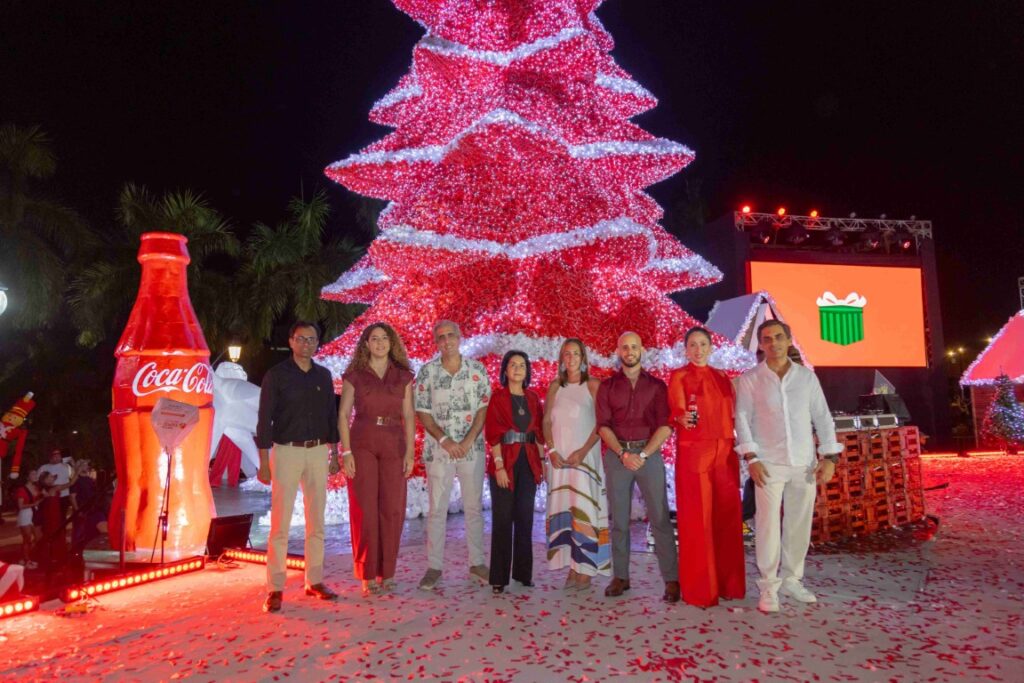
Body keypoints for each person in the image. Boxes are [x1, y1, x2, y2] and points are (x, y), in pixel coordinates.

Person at [734, 320, 842, 613]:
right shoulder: (750, 379)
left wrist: (829, 457)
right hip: (768, 464)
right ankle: (769, 586)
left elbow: (822, 417)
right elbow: (742, 419)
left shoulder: (806, 378)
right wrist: (752, 458)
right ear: (761, 344)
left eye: (779, 337)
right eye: (767, 339)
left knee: (798, 525)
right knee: (767, 526)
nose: (774, 343)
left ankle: (792, 579)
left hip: (803, 463)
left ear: (789, 340)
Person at [256, 320, 341, 613]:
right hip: (286, 452)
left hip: (317, 451)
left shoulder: (323, 375)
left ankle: (314, 580)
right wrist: (263, 462)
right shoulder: (276, 375)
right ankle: (275, 587)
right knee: (280, 523)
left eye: (312, 339)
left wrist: (334, 453)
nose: (306, 344)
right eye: (301, 339)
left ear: (317, 343)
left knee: (316, 520)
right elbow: (264, 419)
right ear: (291, 341)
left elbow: (331, 415)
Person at [596, 331, 680, 602]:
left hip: (649, 455)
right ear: (618, 351)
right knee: (619, 520)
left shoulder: (657, 386)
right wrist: (623, 454)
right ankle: (621, 577)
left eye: (634, 346)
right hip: (617, 456)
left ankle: (671, 579)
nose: (629, 351)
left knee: (660, 518)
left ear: (642, 350)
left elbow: (666, 425)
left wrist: (642, 454)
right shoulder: (607, 387)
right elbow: (603, 426)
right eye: (624, 347)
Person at [668, 327, 745, 607]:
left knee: (727, 519)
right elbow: (677, 410)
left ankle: (729, 585)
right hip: (695, 454)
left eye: (703, 344)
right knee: (697, 521)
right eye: (693, 344)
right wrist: (680, 417)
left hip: (724, 454)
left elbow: (736, 414)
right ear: (685, 349)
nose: (698, 349)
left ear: (711, 347)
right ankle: (701, 590)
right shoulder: (679, 376)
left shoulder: (723, 377)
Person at [338, 323, 416, 597]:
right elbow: (343, 415)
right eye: (375, 339)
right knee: (365, 509)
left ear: (391, 343)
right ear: (366, 344)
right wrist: (346, 452)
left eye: (385, 338)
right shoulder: (355, 376)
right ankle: (367, 573)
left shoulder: (404, 376)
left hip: (394, 443)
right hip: (363, 443)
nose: (380, 343)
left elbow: (409, 415)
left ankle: (388, 572)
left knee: (392, 508)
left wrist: (410, 453)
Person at [414, 320, 492, 591]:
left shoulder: (477, 371)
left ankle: (477, 563)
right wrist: (445, 440)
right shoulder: (427, 372)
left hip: (472, 450)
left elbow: (483, 408)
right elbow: (422, 411)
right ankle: (434, 567)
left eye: (450, 335)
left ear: (459, 338)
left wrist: (468, 440)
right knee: (437, 509)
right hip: (439, 451)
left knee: (473, 508)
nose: (446, 341)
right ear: (436, 342)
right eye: (441, 337)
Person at [543, 338, 609, 590]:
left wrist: (582, 452)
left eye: (575, 354)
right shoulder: (555, 387)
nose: (571, 358)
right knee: (566, 509)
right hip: (559, 461)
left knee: (584, 509)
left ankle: (587, 568)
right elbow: (546, 421)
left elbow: (601, 424)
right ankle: (573, 565)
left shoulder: (593, 385)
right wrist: (551, 450)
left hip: (584, 459)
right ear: (561, 358)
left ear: (583, 358)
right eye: (567, 354)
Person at [485, 351, 544, 594]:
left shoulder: (533, 398)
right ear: (505, 370)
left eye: (522, 365)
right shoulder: (498, 398)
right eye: (513, 365)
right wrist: (499, 466)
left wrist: (542, 463)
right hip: (505, 461)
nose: (518, 369)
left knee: (525, 518)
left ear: (527, 371)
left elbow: (539, 433)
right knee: (502, 519)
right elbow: (492, 434)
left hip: (528, 461)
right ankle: (499, 577)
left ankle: (523, 573)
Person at [14, 469, 41, 568]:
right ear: (27, 477)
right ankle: (27, 560)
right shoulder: (22, 489)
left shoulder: (36, 488)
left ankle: (25, 557)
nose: (35, 475)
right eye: (33, 474)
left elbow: (38, 501)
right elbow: (20, 506)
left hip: (35, 514)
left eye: (36, 473)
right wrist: (34, 504)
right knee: (27, 538)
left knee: (38, 538)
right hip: (25, 514)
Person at [38, 448, 75, 520]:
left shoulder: (67, 466)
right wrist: (42, 491)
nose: (57, 456)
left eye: (59, 454)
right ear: (50, 456)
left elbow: (74, 477)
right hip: (50, 497)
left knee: (62, 517)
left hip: (64, 496)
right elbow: (37, 481)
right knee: (50, 517)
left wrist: (73, 464)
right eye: (55, 454)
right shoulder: (44, 467)